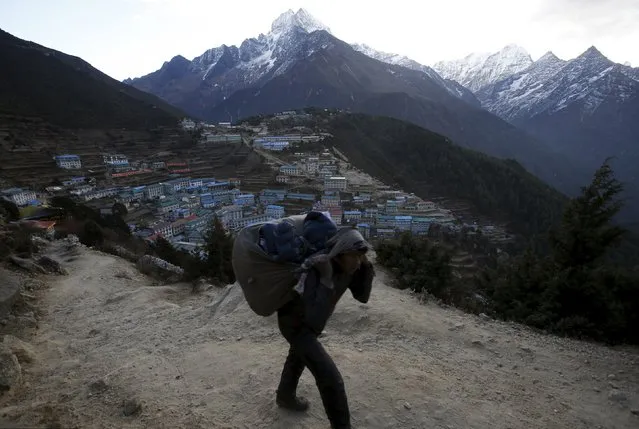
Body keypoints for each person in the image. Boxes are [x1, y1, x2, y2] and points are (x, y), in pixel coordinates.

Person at [275, 226, 375, 429]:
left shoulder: (350, 268)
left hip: (308, 325)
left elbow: (362, 297)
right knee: (330, 378)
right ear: (339, 253)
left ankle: (285, 396)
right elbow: (313, 317)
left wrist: (366, 267)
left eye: (360, 256)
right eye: (353, 256)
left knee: (298, 357)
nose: (356, 261)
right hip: (294, 323)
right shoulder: (318, 268)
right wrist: (326, 279)